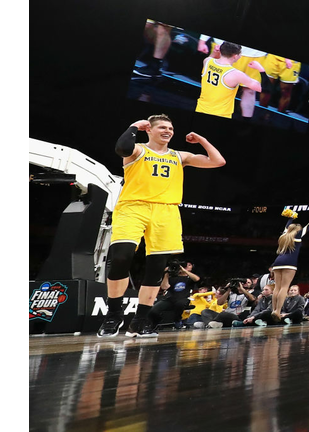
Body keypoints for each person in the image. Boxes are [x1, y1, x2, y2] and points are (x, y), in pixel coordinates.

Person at [97, 114, 226, 338]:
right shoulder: (137, 150)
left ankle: (139, 320)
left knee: (157, 268)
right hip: (133, 207)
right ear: (150, 130)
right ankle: (113, 314)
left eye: (171, 128)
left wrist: (202, 140)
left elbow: (218, 161)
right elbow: (121, 148)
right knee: (121, 258)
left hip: (166, 211)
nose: (168, 131)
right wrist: (134, 125)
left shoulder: (179, 156)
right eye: (163, 127)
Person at [270, 208, 309, 322]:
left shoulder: (284, 235)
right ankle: (278, 311)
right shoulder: (297, 235)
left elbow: (287, 226)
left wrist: (291, 217)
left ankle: (273, 310)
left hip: (277, 262)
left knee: (277, 288)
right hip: (289, 263)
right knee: (284, 287)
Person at [195, 42, 263, 119]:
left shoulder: (207, 61)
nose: (240, 56)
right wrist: (261, 70)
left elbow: (212, 59)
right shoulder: (236, 74)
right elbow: (263, 89)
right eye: (240, 54)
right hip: (221, 114)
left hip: (200, 109)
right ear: (235, 56)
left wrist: (214, 53)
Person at [147, 261, 200, 330]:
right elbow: (164, 287)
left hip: (183, 298)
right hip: (170, 299)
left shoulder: (189, 278)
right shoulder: (173, 277)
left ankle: (177, 320)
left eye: (189, 265)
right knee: (153, 310)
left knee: (180, 303)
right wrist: (166, 274)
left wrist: (184, 270)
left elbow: (197, 279)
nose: (186, 266)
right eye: (185, 265)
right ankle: (155, 323)